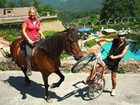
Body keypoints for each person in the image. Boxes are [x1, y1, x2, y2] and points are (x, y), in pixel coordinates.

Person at [87, 30, 129, 96]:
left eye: (123, 36)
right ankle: (91, 79)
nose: (121, 37)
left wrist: (114, 57)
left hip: (115, 63)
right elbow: (107, 39)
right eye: (120, 36)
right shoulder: (115, 40)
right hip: (108, 59)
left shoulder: (126, 45)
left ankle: (113, 89)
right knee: (96, 67)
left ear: (124, 37)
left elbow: (122, 54)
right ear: (118, 36)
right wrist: (99, 39)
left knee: (113, 78)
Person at [22, 7, 45, 76]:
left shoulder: (38, 21)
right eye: (31, 13)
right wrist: (29, 39)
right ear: (29, 13)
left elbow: (38, 30)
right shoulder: (26, 21)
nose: (32, 15)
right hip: (29, 40)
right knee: (29, 54)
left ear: (35, 13)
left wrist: (42, 34)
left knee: (44, 51)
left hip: (37, 39)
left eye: (33, 13)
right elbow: (23, 31)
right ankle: (29, 68)